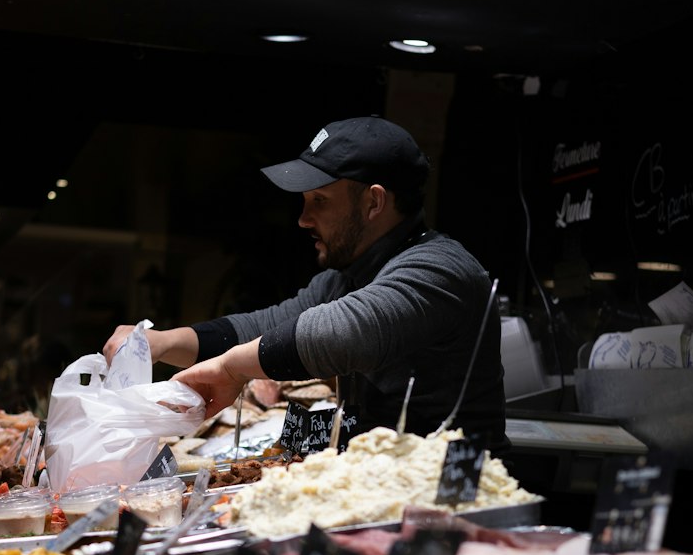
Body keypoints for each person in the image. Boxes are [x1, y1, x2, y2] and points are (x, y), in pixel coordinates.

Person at [104, 116, 507, 451]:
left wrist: (232, 368)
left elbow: (345, 333)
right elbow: (269, 324)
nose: (302, 219)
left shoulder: (440, 269)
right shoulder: (344, 277)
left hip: (458, 495)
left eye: (320, 201)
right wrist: (162, 343)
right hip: (388, 486)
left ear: (374, 202)